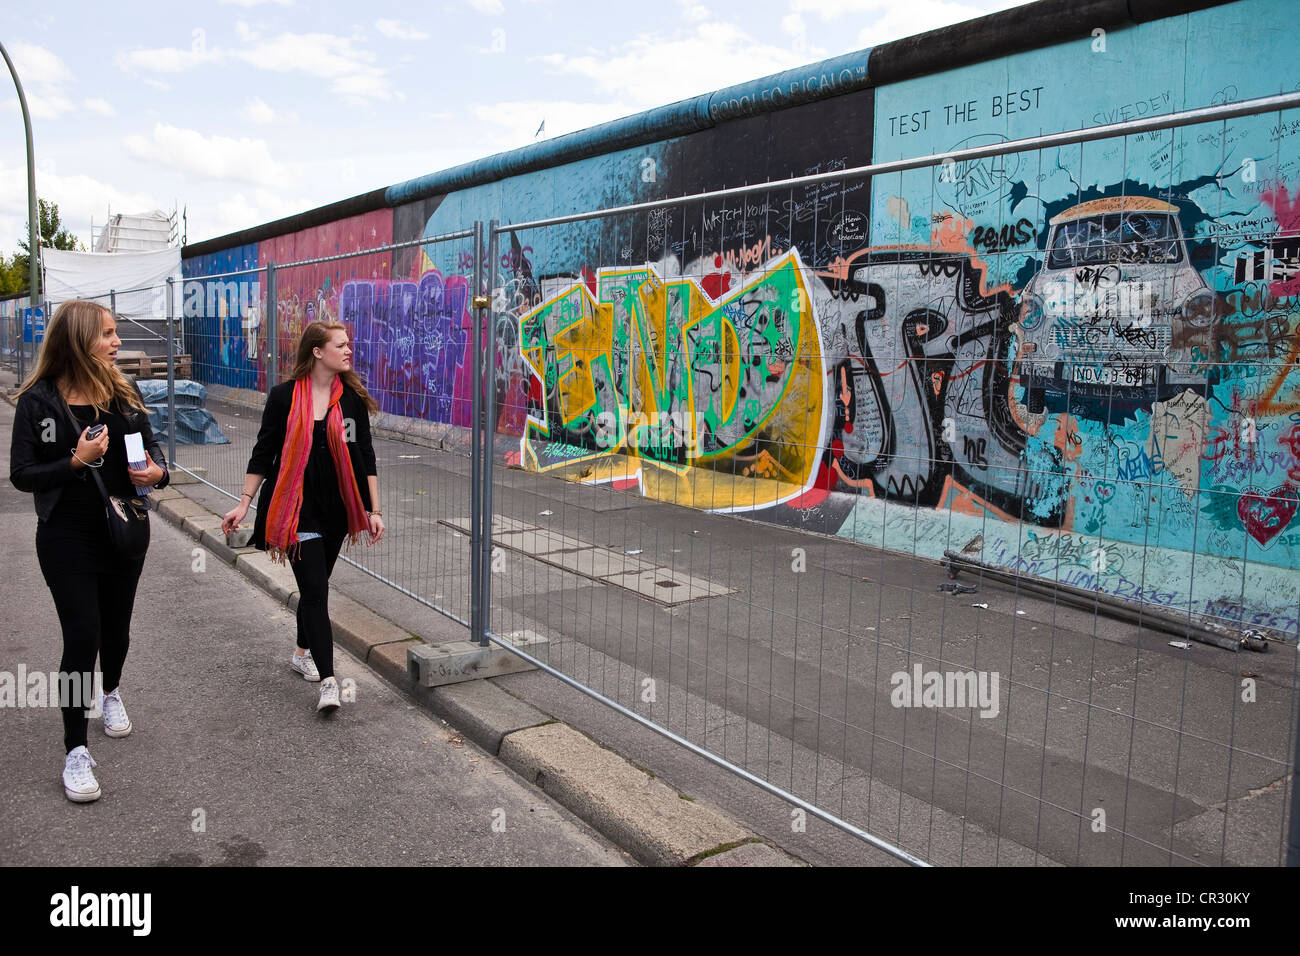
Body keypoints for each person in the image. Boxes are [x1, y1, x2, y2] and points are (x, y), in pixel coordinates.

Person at [9, 300, 169, 803]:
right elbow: (21, 474)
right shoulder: (38, 401)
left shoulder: (122, 390)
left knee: (117, 629)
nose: (117, 342)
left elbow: (153, 447)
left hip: (123, 527)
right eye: (107, 333)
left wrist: (157, 473)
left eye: (115, 332)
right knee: (82, 635)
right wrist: (75, 461)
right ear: (79, 339)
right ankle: (75, 750)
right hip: (66, 534)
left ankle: (111, 691)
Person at [221, 321, 384, 713]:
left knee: (317, 586)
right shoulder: (283, 398)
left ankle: (300, 651)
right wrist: (244, 502)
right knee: (315, 591)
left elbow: (365, 455)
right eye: (340, 345)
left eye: (349, 344)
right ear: (317, 351)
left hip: (338, 509)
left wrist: (373, 510)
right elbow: (263, 453)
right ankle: (329, 682)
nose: (349, 351)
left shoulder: (351, 401)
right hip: (296, 509)